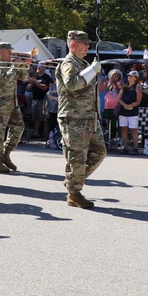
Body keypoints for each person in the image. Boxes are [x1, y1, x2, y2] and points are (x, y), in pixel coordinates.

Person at [56, 30, 105, 209]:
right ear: (73, 45)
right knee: (77, 157)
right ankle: (74, 193)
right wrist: (92, 70)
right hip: (74, 119)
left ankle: (72, 181)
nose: (88, 46)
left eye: (88, 43)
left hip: (89, 117)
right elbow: (71, 84)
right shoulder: (68, 63)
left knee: (99, 152)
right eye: (84, 43)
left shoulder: (82, 63)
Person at [0, 42, 30, 173]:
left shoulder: (11, 64)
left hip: (12, 103)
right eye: (8, 51)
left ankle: (6, 154)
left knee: (18, 127)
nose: (11, 53)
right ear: (0, 51)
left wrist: (22, 66)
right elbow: (4, 79)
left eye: (10, 50)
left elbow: (24, 78)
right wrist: (14, 67)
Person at [117, 70, 143, 154]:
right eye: (129, 76)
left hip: (133, 111)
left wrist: (130, 105)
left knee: (133, 129)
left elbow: (138, 101)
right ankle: (125, 147)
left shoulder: (138, 88)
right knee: (124, 129)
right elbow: (119, 98)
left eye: (131, 76)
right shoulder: (124, 87)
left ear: (136, 78)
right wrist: (125, 105)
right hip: (123, 111)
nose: (129, 77)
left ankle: (135, 148)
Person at [28, 64, 52, 139]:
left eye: (40, 66)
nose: (38, 68)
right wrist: (32, 83)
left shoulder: (46, 77)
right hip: (35, 99)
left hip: (43, 99)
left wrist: (36, 83)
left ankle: (45, 134)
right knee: (36, 117)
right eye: (38, 66)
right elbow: (29, 87)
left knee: (44, 117)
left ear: (44, 68)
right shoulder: (35, 76)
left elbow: (44, 87)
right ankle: (36, 132)